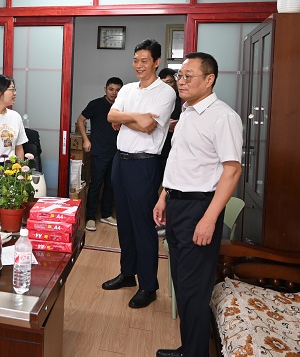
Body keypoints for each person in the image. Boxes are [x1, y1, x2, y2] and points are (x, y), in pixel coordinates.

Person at [153, 52, 243, 357]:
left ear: (209, 79)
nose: (181, 81)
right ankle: (190, 348)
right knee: (182, 283)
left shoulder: (223, 116)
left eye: (188, 76)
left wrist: (209, 219)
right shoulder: (187, 112)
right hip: (177, 204)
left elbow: (232, 171)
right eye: (180, 76)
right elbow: (179, 161)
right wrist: (164, 197)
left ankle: (195, 353)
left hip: (199, 209)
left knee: (194, 289)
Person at [101, 39, 175, 309]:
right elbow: (111, 117)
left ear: (156, 62)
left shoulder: (165, 92)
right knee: (124, 222)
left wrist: (125, 118)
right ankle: (127, 273)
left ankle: (148, 285)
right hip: (120, 161)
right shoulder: (128, 88)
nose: (139, 65)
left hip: (144, 164)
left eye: (145, 60)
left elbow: (148, 126)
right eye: (135, 60)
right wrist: (134, 117)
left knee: (143, 225)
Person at [76, 77, 123, 231]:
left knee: (111, 184)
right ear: (105, 89)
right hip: (99, 152)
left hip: (117, 152)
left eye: (118, 90)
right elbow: (80, 120)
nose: (114, 93)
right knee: (96, 184)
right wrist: (86, 140)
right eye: (111, 89)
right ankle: (90, 217)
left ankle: (106, 214)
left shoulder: (122, 106)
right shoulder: (95, 104)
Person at [157, 67, 181, 184]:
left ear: (175, 82)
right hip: (159, 147)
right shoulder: (157, 99)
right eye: (163, 83)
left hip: (177, 148)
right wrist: (166, 124)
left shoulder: (183, 99)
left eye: (169, 82)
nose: (166, 86)